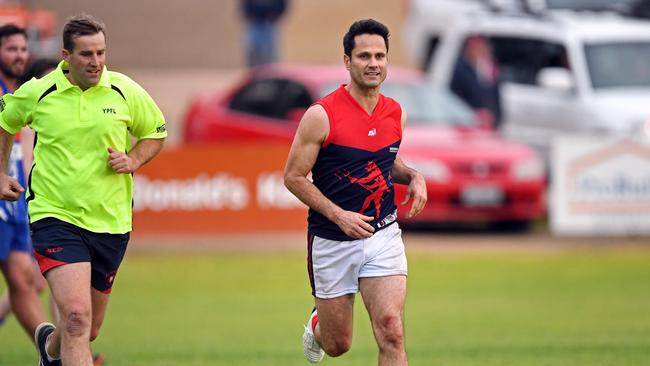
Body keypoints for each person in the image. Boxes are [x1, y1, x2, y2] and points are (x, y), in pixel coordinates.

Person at [0, 14, 167, 366]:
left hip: (111, 220)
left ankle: (49, 349)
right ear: (66, 55)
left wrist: (134, 159)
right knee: (75, 317)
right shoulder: (39, 91)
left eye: (101, 53)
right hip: (54, 215)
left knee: (87, 329)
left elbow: (155, 131)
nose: (96, 62)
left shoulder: (124, 89)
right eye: (86, 54)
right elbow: (5, 121)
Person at [283, 19, 427, 365]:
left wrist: (413, 175)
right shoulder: (321, 115)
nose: (373, 63)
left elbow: (385, 161)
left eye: (380, 55)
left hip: (384, 234)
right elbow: (294, 177)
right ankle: (319, 325)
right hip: (333, 239)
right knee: (338, 344)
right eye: (364, 56)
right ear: (347, 61)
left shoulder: (396, 112)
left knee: (392, 329)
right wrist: (338, 215)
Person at [0, 22, 50, 342]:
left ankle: (51, 350)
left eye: (22, 49)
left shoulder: (19, 95)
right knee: (24, 278)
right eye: (10, 49)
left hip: (13, 205)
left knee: (25, 279)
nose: (19, 55)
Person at [449, 35, 503, 129]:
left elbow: (495, 95)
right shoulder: (460, 71)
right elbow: (455, 97)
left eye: (482, 49)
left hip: (488, 121)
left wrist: (496, 117)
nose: (480, 52)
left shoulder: (489, 68)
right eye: (477, 49)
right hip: (468, 119)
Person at [240, 0, 288, 67]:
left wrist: (275, 15)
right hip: (254, 24)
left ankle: (269, 73)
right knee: (253, 51)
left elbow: (282, 5)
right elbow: (245, 5)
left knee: (270, 54)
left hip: (270, 24)